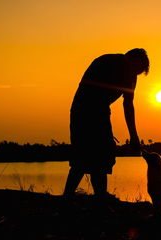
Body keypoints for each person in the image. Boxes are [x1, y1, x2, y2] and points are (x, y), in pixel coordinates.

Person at [63, 48, 149, 197]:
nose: (135, 75)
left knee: (98, 155)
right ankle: (76, 196)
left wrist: (133, 135)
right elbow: (125, 104)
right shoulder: (112, 63)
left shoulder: (124, 71)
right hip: (86, 110)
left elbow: (128, 104)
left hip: (94, 111)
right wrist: (133, 136)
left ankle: (98, 195)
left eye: (139, 72)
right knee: (90, 154)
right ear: (132, 59)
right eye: (137, 69)